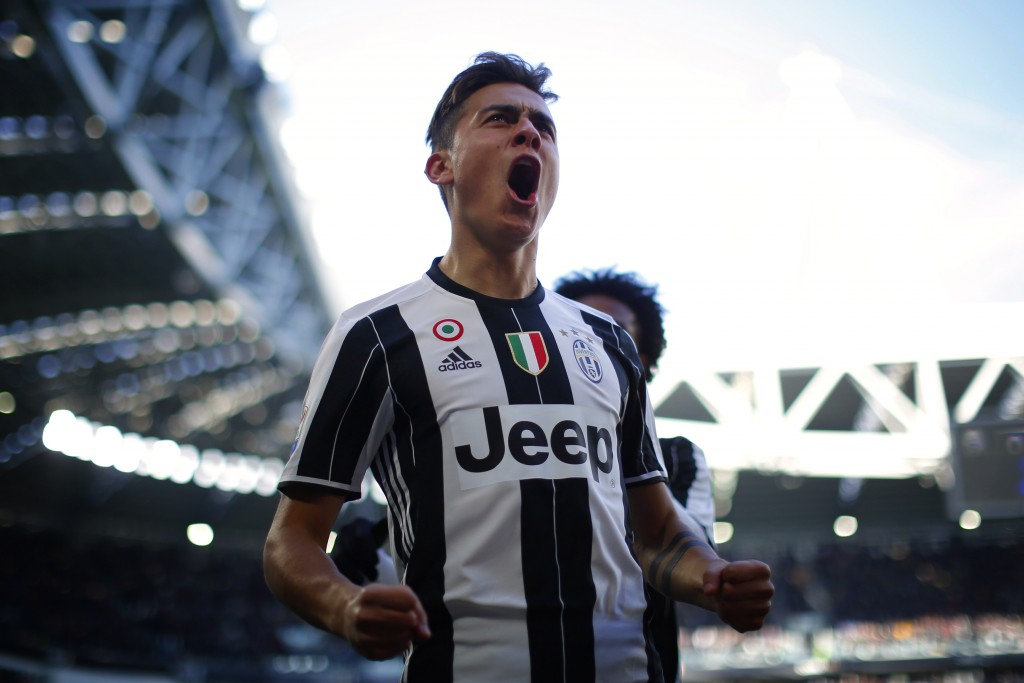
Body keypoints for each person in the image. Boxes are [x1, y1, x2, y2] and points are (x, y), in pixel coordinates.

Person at [263, 51, 774, 682]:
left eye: (543, 127)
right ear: (440, 166)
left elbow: (657, 533)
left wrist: (714, 578)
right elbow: (291, 541)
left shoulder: (607, 341)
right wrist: (345, 606)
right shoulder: (378, 335)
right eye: (500, 119)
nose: (529, 131)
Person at [553, 268, 715, 682]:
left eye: (611, 330)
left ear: (639, 359)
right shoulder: (528, 446)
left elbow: (686, 554)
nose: (589, 339)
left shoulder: (678, 457)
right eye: (573, 327)